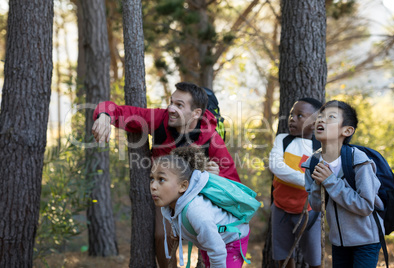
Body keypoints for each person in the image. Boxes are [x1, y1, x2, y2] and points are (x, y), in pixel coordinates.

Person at [91, 82, 240, 267]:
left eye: (179, 105)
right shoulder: (160, 119)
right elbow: (118, 110)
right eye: (171, 102)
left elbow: (233, 184)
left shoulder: (210, 138)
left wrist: (214, 178)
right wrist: (104, 117)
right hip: (167, 197)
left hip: (198, 201)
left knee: (206, 244)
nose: (170, 108)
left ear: (196, 113)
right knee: (162, 237)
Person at [304, 100, 384, 268]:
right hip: (339, 243)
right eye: (320, 116)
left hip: (367, 241)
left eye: (330, 117)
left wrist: (331, 181)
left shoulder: (358, 161)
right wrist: (319, 185)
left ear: (347, 130)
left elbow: (365, 206)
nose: (321, 120)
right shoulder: (312, 163)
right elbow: (317, 206)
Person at [150, 146, 250, 268]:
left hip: (231, 240)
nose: (153, 186)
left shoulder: (196, 211)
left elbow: (218, 252)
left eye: (161, 179)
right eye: (152, 179)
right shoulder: (169, 205)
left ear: (183, 186)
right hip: (211, 240)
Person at [269, 98, 322, 268]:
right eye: (292, 114)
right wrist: (308, 181)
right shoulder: (282, 140)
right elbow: (276, 166)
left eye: (300, 116)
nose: (292, 118)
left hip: (309, 212)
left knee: (314, 258)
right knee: (282, 255)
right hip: (280, 208)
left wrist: (312, 181)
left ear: (314, 124)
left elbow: (321, 177)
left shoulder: (320, 148)